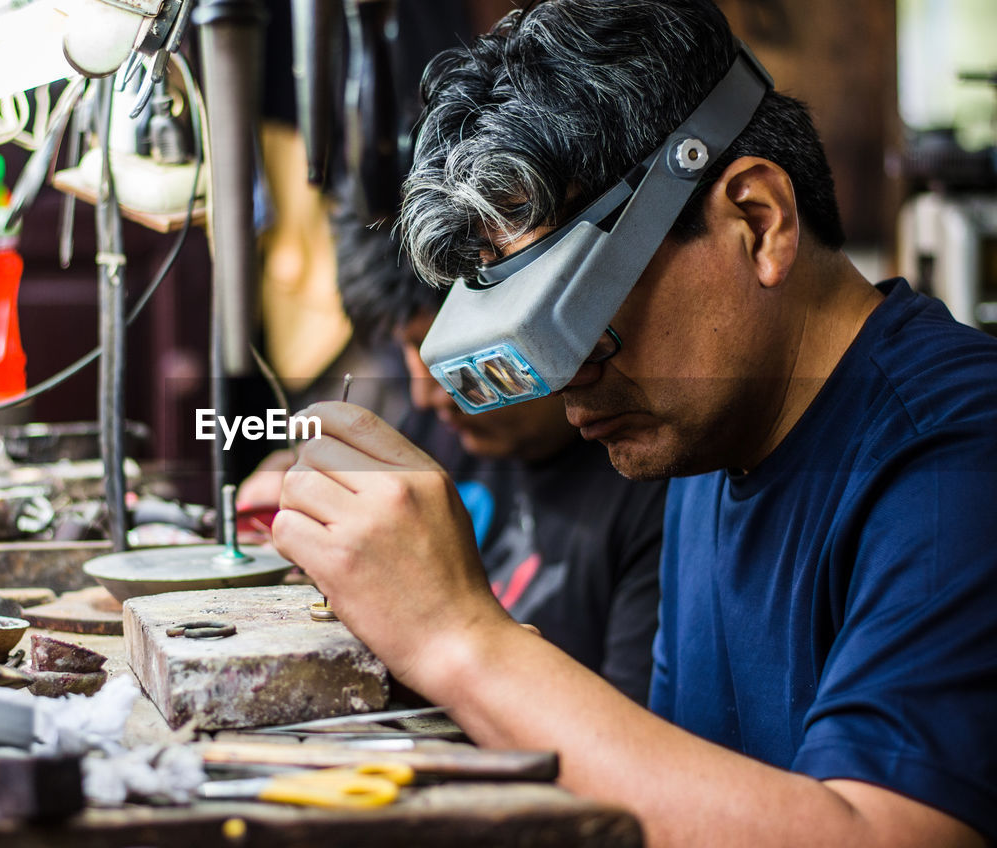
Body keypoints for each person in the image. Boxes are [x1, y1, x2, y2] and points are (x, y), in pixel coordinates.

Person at [270, 2, 997, 846]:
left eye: (581, 326)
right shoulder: (704, 443)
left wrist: (461, 637)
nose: (562, 386)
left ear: (757, 221)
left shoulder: (957, 453)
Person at [244, 195, 668, 702]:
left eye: (448, 354)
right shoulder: (437, 436)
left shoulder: (648, 484)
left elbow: (623, 748)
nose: (425, 394)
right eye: (408, 352)